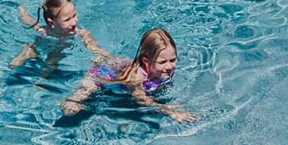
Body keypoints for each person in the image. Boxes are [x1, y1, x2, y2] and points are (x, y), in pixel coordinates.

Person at [63, 28, 195, 123]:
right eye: (162, 62)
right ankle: (72, 99)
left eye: (173, 60)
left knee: (108, 57)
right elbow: (142, 100)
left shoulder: (163, 69)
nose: (169, 66)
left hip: (121, 67)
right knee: (80, 97)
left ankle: (91, 44)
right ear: (145, 61)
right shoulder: (136, 78)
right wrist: (170, 111)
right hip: (101, 76)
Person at [12, 0, 102, 71]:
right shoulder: (44, 31)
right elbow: (30, 22)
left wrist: (107, 57)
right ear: (51, 23)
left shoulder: (80, 33)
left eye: (74, 15)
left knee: (50, 64)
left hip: (57, 53)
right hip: (38, 47)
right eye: (67, 20)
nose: (74, 22)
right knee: (24, 54)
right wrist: (22, 12)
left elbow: (95, 48)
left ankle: (41, 82)